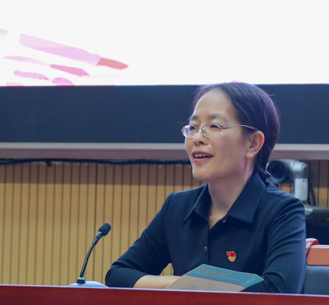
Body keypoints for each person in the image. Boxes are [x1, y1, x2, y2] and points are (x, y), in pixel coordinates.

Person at [105, 82, 306, 293]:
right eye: (193, 128)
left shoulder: (282, 210)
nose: (197, 138)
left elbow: (279, 292)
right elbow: (119, 274)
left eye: (214, 126)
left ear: (253, 143)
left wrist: (192, 289)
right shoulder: (178, 207)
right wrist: (181, 285)